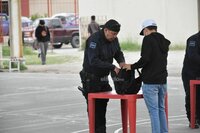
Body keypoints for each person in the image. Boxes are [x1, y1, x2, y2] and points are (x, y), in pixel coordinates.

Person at [123, 19, 170, 133]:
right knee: (161, 110)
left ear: (146, 29)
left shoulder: (148, 39)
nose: (143, 34)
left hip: (151, 82)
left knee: (153, 111)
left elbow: (145, 59)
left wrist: (131, 66)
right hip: (162, 81)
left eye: (143, 31)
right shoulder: (163, 40)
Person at [79, 19, 125, 133]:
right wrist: (112, 67)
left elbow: (118, 52)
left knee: (102, 108)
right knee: (95, 110)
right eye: (113, 34)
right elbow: (93, 60)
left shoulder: (114, 40)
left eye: (116, 34)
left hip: (103, 79)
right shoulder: (94, 40)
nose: (114, 36)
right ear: (106, 30)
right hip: (91, 78)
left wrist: (121, 62)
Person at [182, 31, 200, 128]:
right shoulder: (193, 39)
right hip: (190, 73)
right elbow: (193, 57)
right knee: (192, 96)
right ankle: (192, 119)